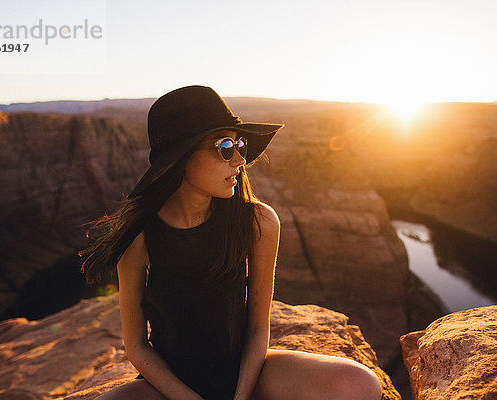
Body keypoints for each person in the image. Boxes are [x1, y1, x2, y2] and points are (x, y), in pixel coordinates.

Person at [79, 86, 382, 400]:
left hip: (247, 374)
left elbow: (257, 328)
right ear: (181, 157)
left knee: (358, 383)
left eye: (241, 144)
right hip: (171, 386)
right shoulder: (140, 237)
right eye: (224, 146)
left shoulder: (258, 222)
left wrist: (241, 395)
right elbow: (137, 346)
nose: (240, 159)